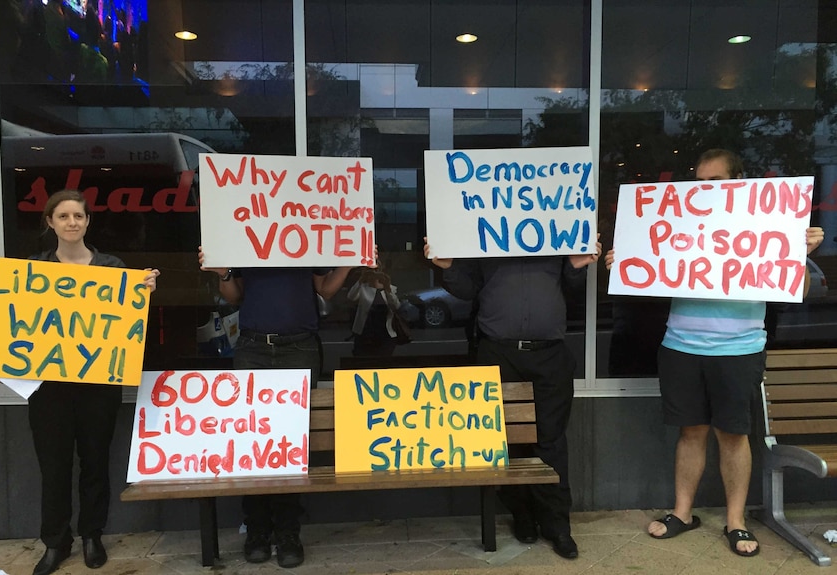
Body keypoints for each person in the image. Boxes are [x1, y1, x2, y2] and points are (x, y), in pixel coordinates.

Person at [604, 148, 825, 557]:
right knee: (690, 433)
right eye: (701, 184)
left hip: (740, 349)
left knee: (733, 436)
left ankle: (736, 521)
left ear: (738, 184)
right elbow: (651, 268)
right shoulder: (683, 225)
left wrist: (798, 255)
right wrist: (626, 261)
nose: (707, 191)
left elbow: (803, 292)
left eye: (717, 183)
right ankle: (682, 513)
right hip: (681, 346)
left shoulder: (765, 226)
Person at [0, 190, 160, 575]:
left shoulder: (112, 267)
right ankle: (55, 541)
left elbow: (129, 316)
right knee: (53, 466)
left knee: (95, 462)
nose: (71, 223)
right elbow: (11, 319)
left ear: (87, 221)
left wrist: (144, 289)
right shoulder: (34, 269)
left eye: (78, 216)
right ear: (50, 222)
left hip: (99, 386)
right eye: (63, 216)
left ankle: (92, 535)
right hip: (49, 389)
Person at [424, 234, 602, 560]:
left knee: (551, 441)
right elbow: (467, 289)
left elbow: (572, 286)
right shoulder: (483, 235)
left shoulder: (557, 230)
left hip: (550, 354)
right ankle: (522, 516)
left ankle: (557, 525)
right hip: (498, 353)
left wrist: (578, 267)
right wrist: (448, 268)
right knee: (506, 441)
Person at [198, 247, 352, 568]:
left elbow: (324, 288)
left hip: (299, 346)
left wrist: (351, 260)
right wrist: (223, 273)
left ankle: (287, 531)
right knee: (251, 440)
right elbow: (235, 296)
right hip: (252, 345)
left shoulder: (309, 236)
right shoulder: (246, 233)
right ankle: (256, 528)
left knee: (290, 442)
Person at [348, 268, 402, 357]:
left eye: (377, 271)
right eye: (372, 272)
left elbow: (396, 306)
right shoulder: (363, 287)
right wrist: (361, 279)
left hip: (385, 333)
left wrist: (387, 288)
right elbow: (351, 297)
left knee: (383, 362)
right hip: (365, 332)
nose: (375, 275)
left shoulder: (389, 288)